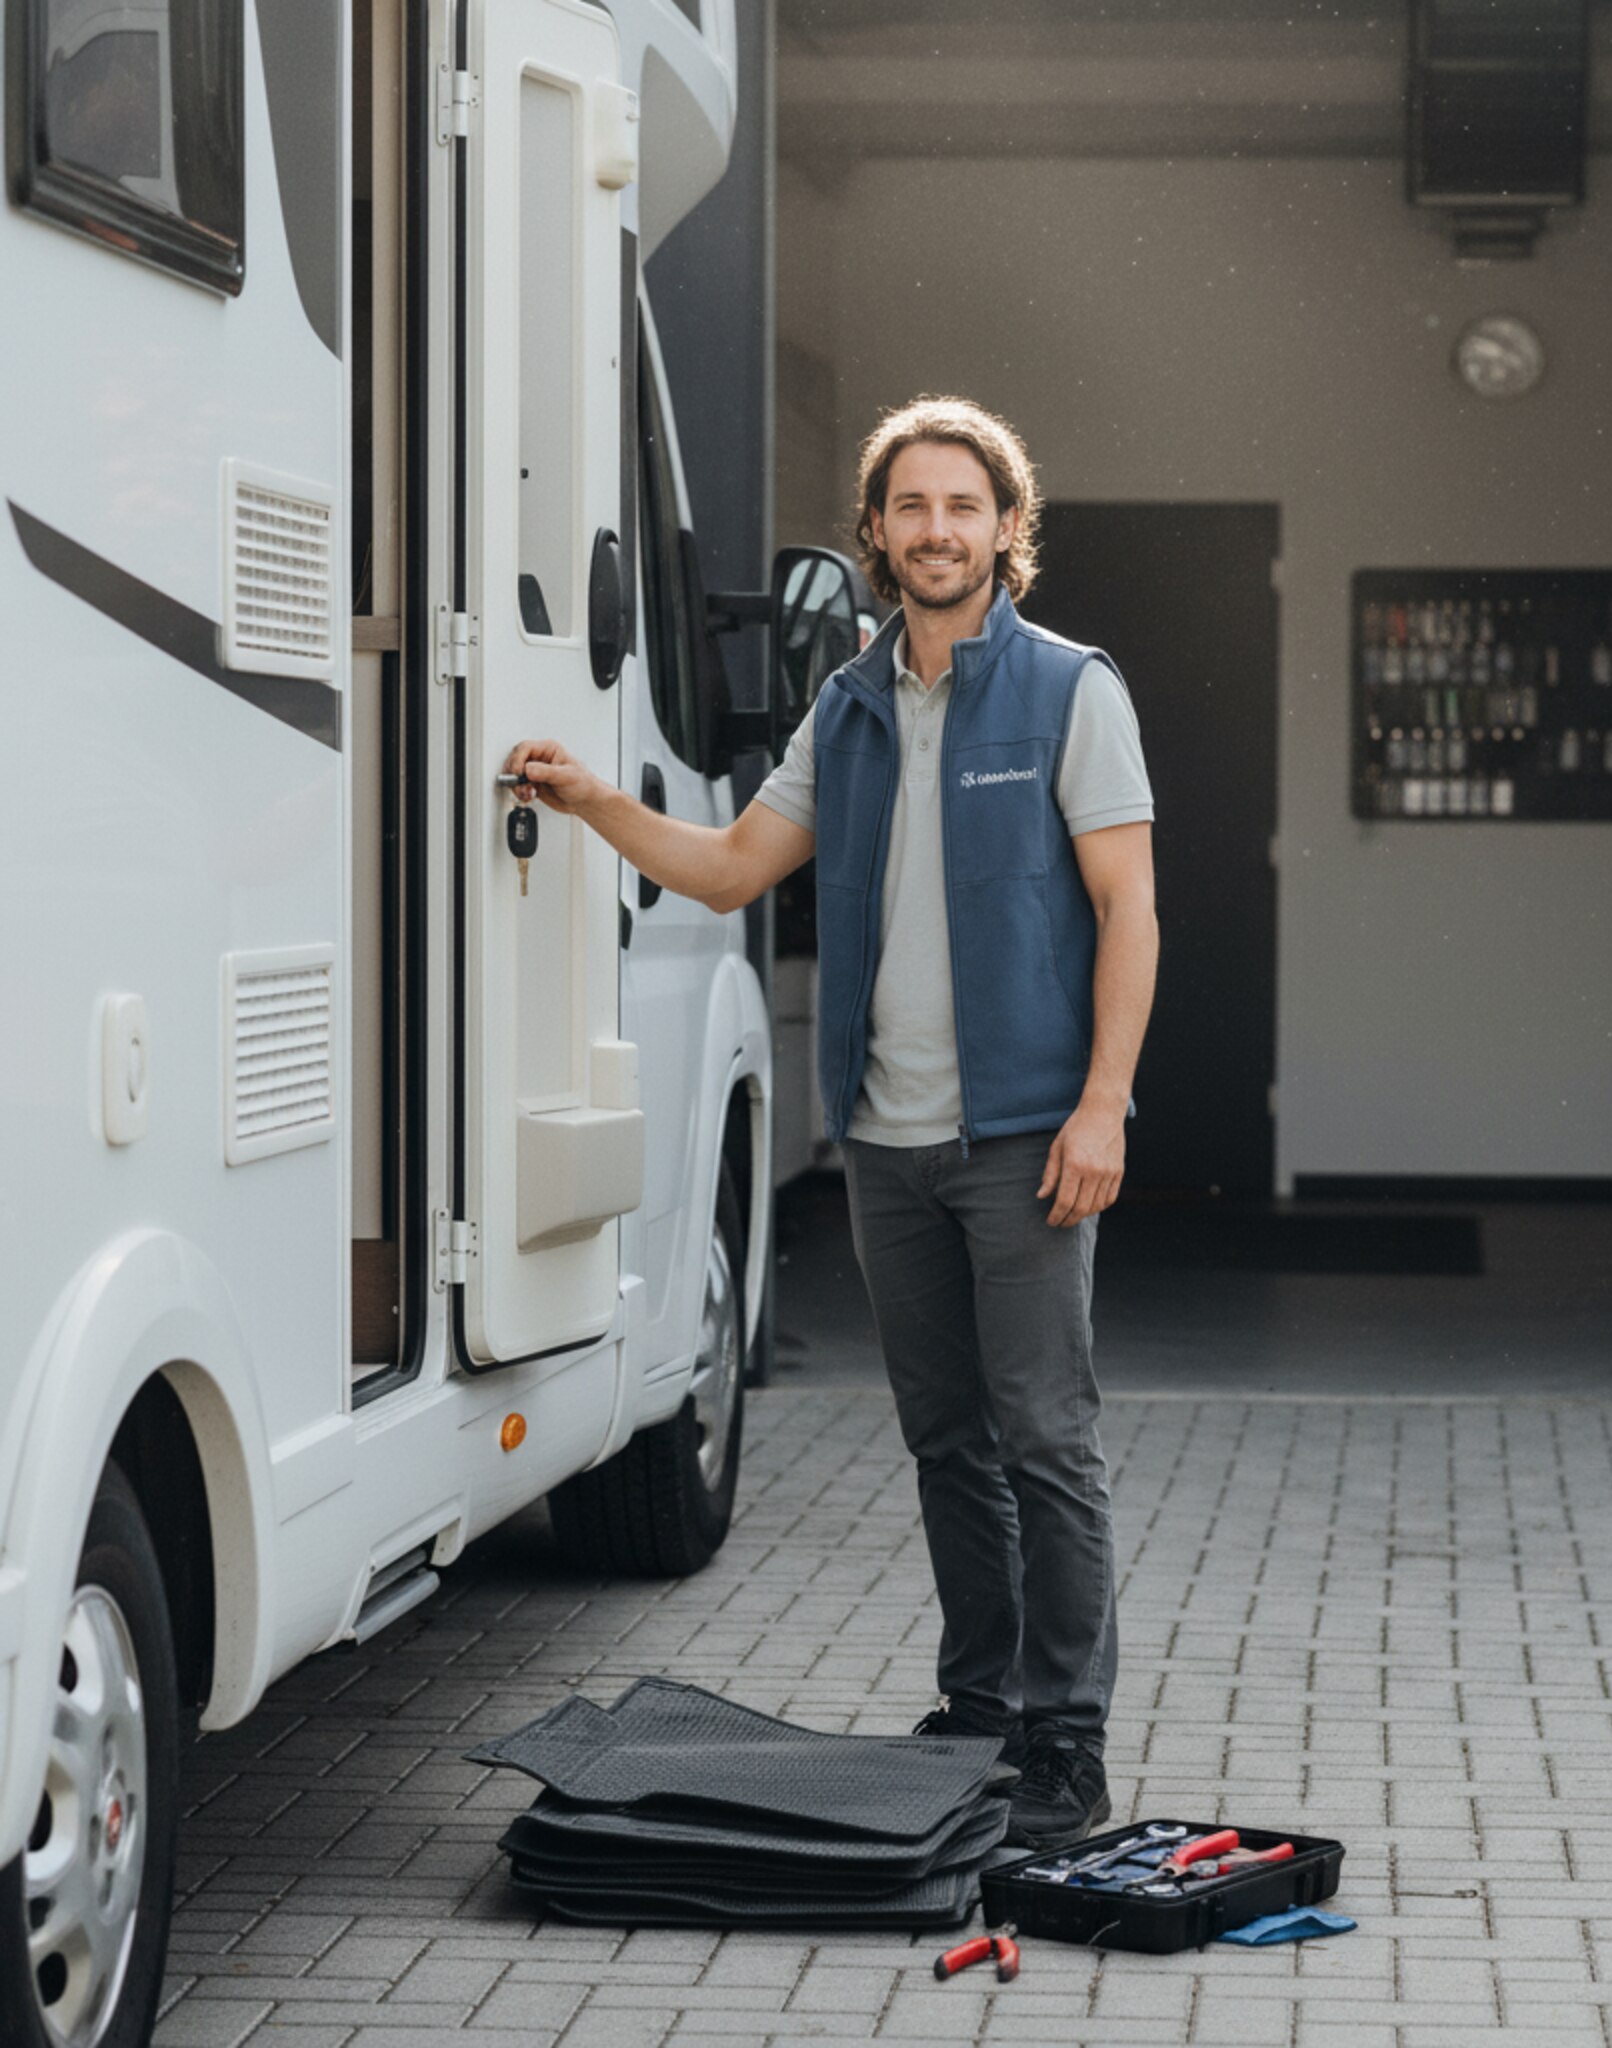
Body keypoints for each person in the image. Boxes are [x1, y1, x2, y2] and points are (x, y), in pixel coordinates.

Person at [505, 394, 1157, 1851]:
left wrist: (1104, 1103)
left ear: (1007, 529)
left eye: (964, 508)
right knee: (945, 1441)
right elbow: (735, 866)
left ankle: (1066, 1740)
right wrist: (599, 798)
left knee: (1046, 1439)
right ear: (876, 534)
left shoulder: (1069, 691)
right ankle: (981, 1709)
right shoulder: (849, 705)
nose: (938, 531)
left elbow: (1132, 910)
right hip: (885, 1137)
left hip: (1028, 1136)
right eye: (912, 508)